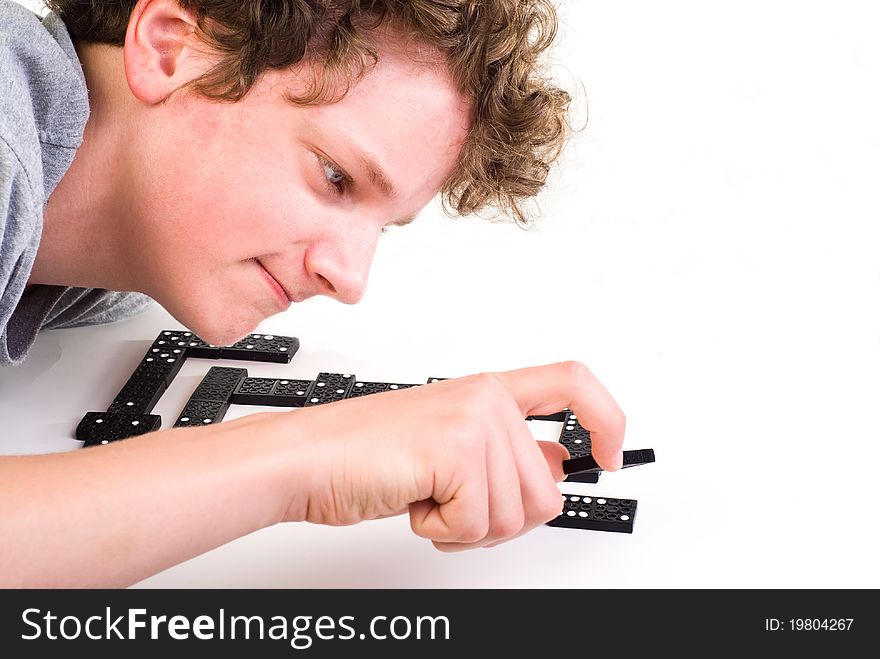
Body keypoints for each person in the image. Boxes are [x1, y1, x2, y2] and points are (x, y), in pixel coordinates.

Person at [0, 0, 625, 587]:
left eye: (384, 227)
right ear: (172, 50)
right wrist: (312, 460)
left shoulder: (112, 278)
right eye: (336, 176)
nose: (350, 280)